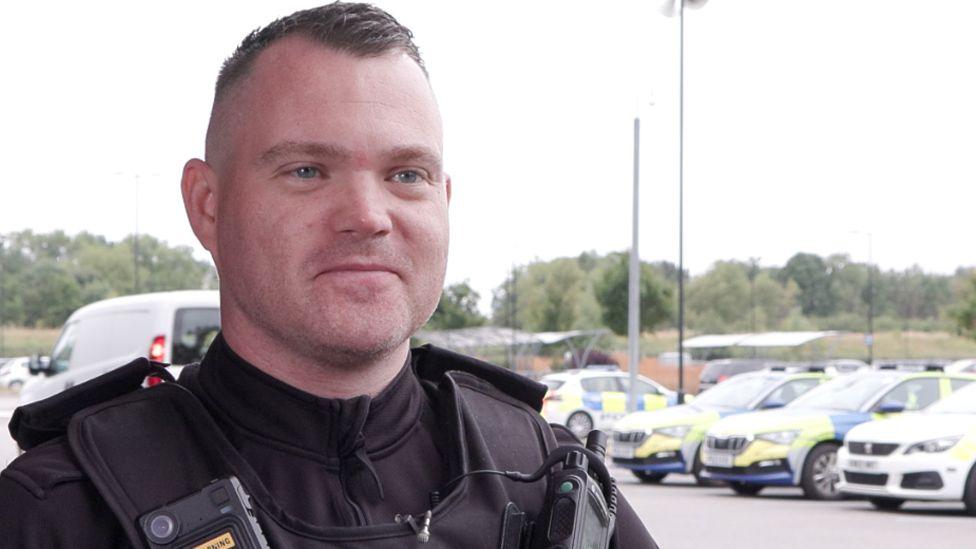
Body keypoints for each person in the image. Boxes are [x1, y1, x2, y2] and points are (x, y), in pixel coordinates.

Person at [0, 3, 658, 547]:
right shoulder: (61, 512)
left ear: (444, 199)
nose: (369, 216)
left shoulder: (551, 486)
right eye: (308, 170)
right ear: (207, 205)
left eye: (406, 174)